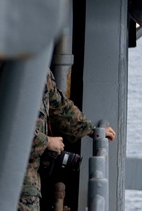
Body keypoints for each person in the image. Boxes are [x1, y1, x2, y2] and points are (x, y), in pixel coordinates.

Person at [20, 69, 116, 211]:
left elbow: (60, 106)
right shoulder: (20, 75)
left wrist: (91, 129)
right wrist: (47, 142)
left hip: (26, 182)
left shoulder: (40, 71)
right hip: (9, 181)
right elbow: (10, 129)